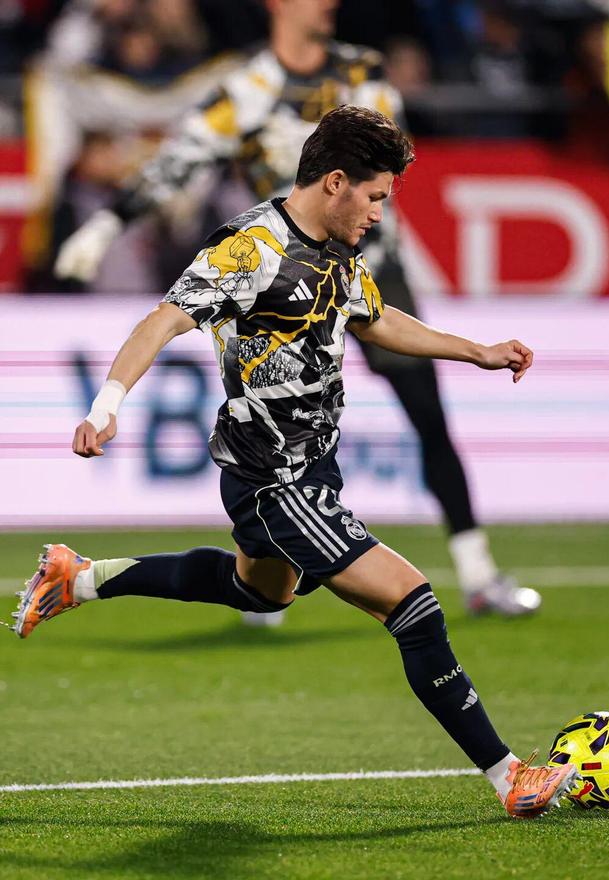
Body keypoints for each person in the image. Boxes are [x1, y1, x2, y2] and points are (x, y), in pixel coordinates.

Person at [12, 106, 576, 818]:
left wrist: (478, 351)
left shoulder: (336, 247)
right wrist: (106, 405)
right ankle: (509, 776)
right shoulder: (250, 250)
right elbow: (162, 320)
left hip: (311, 471)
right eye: (375, 197)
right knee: (413, 603)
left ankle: (80, 578)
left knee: (259, 593)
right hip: (275, 481)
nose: (379, 214)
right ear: (335, 182)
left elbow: (374, 317)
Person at [53, 0, 542, 622]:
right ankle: (268, 566)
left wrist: (470, 345)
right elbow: (183, 159)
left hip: (370, 272)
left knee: (428, 416)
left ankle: (478, 573)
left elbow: (388, 169)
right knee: (271, 417)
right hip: (278, 276)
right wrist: (107, 223)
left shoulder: (362, 72)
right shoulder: (248, 87)